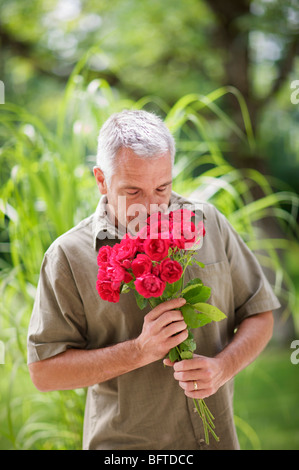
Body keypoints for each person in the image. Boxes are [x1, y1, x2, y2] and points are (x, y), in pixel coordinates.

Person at [27, 109, 280, 450]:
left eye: (162, 188)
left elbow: (260, 313)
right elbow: (44, 373)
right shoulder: (68, 256)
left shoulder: (209, 224)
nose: (151, 209)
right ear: (101, 179)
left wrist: (224, 367)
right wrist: (138, 351)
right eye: (133, 192)